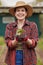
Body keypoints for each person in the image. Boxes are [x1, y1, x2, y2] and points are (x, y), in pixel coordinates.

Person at [5, 1, 39, 65]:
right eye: (18, 10)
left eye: (22, 10)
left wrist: (26, 39)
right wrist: (16, 40)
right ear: (15, 13)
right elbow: (8, 43)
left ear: (26, 13)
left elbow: (34, 44)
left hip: (29, 56)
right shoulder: (9, 26)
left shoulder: (32, 25)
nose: (20, 12)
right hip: (14, 56)